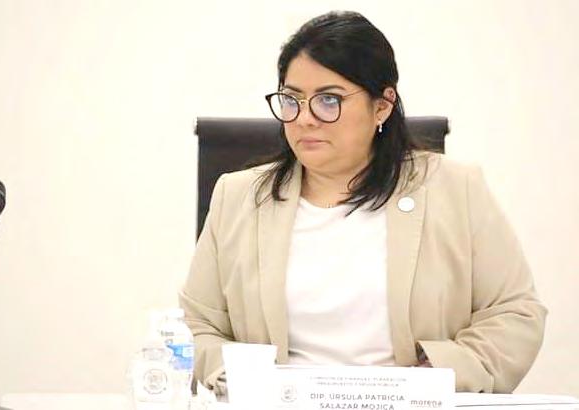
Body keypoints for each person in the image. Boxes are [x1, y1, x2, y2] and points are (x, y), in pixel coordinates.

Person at [179, 11, 546, 394]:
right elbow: (197, 326)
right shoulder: (238, 197)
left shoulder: (455, 189)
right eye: (292, 100)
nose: (304, 119)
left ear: (382, 106)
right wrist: (246, 381)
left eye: (329, 100)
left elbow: (515, 313)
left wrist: (431, 379)